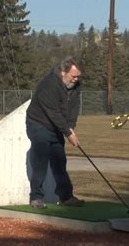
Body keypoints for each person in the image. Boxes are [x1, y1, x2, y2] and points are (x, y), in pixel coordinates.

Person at [25, 56, 85, 209]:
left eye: (78, 76)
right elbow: (53, 113)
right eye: (73, 76)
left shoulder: (75, 86)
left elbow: (73, 108)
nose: (76, 80)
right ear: (63, 72)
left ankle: (66, 197)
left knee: (59, 161)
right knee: (41, 161)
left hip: (56, 127)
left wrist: (71, 127)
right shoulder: (48, 85)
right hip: (38, 124)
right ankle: (36, 197)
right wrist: (68, 133)